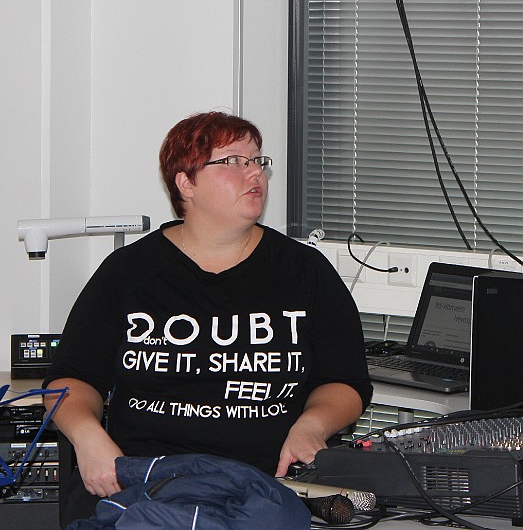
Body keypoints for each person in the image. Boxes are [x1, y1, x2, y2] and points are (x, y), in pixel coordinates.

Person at [43, 111, 373, 527]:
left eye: (257, 160)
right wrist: (88, 438)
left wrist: (312, 425)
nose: (255, 172)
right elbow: (70, 379)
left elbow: (345, 381)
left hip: (264, 487)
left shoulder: (305, 272)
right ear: (186, 183)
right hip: (147, 481)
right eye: (233, 161)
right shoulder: (128, 272)